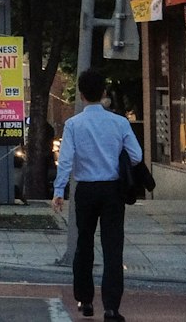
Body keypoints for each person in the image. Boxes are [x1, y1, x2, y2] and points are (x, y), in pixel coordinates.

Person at [51, 68, 143, 322]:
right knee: (113, 248)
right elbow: (136, 156)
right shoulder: (119, 123)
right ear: (103, 92)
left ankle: (85, 299)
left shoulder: (73, 125)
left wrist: (59, 191)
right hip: (113, 190)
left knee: (84, 244)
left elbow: (66, 161)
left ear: (81, 94)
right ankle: (112, 308)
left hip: (86, 190)